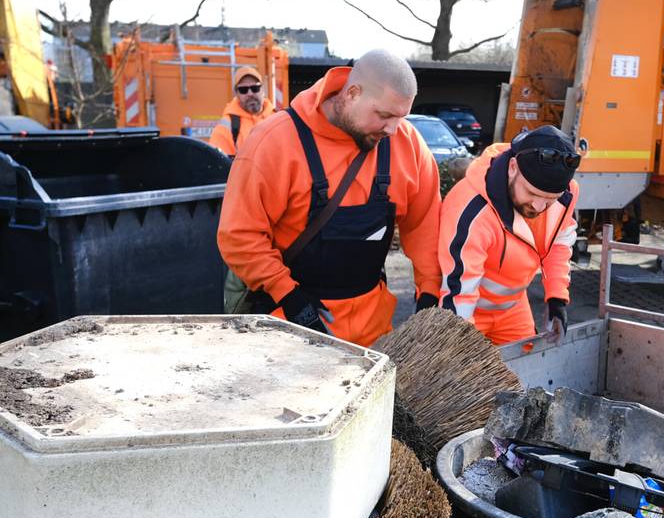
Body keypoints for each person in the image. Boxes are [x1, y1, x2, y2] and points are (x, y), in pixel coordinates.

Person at [217, 49, 441, 348]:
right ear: (351, 93)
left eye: (401, 117)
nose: (393, 129)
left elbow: (425, 225)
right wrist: (290, 297)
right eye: (384, 115)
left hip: (373, 335)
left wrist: (429, 290)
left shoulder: (408, 144)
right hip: (288, 329)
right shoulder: (275, 142)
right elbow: (239, 236)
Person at [438, 125, 580, 345]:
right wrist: (458, 347)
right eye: (532, 193)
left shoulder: (566, 195)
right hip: (466, 309)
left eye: (550, 199)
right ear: (513, 167)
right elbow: (458, 291)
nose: (539, 206)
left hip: (513, 308)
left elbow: (558, 244)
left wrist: (556, 296)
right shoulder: (471, 209)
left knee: (523, 371)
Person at [208, 65, 276, 156]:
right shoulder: (225, 128)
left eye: (255, 88)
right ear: (236, 94)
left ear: (263, 90)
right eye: (243, 90)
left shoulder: (278, 118)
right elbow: (218, 165)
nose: (250, 93)